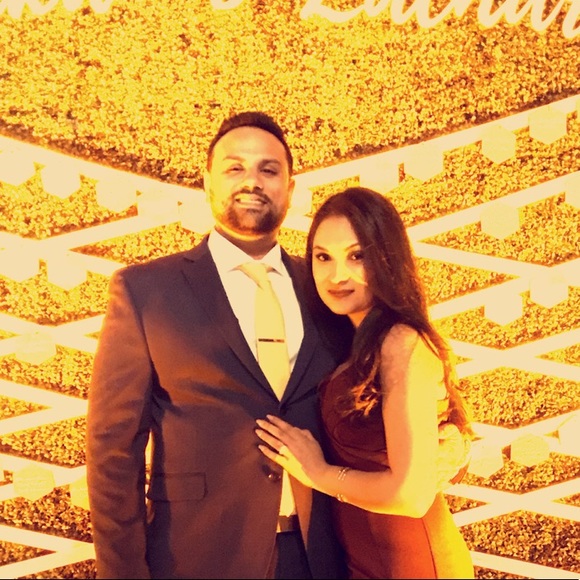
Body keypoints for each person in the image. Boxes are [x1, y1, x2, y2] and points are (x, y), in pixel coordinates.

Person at [86, 112, 470, 580]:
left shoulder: (330, 290)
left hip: (324, 555)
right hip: (198, 555)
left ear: (290, 187)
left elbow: (394, 393)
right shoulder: (146, 290)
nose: (252, 181)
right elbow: (112, 449)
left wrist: (454, 441)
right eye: (235, 167)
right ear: (206, 181)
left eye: (268, 169)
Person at [255, 187, 475, 579]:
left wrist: (318, 473)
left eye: (356, 256)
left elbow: (411, 496)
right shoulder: (352, 339)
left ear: (387, 258)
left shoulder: (400, 342)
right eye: (323, 257)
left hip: (412, 563)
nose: (337, 275)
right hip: (362, 560)